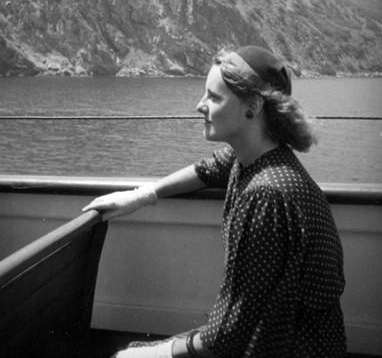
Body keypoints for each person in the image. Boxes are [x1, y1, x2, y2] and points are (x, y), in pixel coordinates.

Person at [83, 45, 346, 357]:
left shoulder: (267, 195)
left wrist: (155, 353)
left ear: (253, 105)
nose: (199, 106)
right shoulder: (253, 158)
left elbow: (228, 337)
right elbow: (208, 169)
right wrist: (143, 195)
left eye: (214, 97)